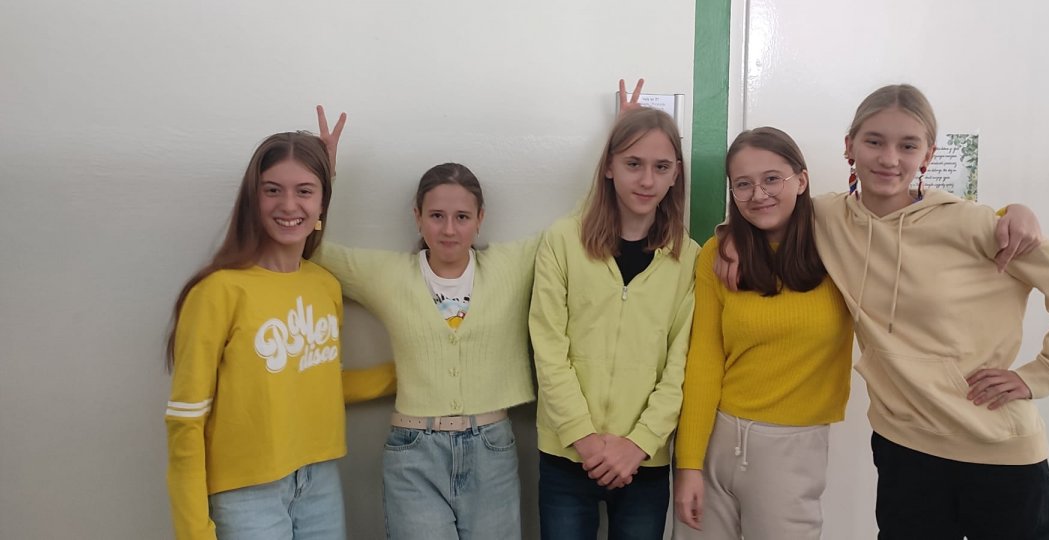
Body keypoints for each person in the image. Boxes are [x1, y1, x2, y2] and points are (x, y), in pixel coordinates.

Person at [720, 84, 1049, 539]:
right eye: (874, 141)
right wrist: (730, 236)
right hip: (904, 451)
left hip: (996, 449)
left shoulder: (971, 224)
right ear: (849, 146)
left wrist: (1043, 374)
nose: (889, 158)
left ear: (927, 155)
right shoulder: (825, 219)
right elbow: (766, 210)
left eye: (908, 145)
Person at [311, 115, 538, 539]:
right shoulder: (388, 274)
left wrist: (617, 151)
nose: (449, 229)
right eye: (436, 215)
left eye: (462, 217)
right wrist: (323, 175)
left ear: (480, 218)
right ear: (417, 217)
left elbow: (576, 230)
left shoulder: (510, 265)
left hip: (492, 448)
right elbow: (313, 249)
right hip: (414, 452)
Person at [164, 122, 350, 540]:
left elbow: (320, 379)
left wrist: (411, 374)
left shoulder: (325, 286)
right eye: (272, 190)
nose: (288, 204)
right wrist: (194, 533)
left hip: (319, 481)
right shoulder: (217, 292)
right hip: (246, 494)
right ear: (253, 197)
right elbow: (185, 422)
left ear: (323, 200)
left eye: (305, 190)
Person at [530, 103, 700, 539]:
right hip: (568, 455)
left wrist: (640, 443)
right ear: (609, 167)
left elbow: (681, 366)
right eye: (633, 164)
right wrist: (584, 439)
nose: (647, 180)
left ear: (676, 174)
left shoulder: (688, 258)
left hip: (644, 460)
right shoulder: (562, 241)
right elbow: (549, 350)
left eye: (661, 167)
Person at [673, 127, 852, 539]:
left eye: (772, 179)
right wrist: (689, 464)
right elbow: (704, 358)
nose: (758, 194)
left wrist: (1003, 218)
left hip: (793, 449)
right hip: (716, 438)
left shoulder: (839, 247)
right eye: (743, 184)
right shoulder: (716, 254)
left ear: (801, 180)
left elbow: (912, 226)